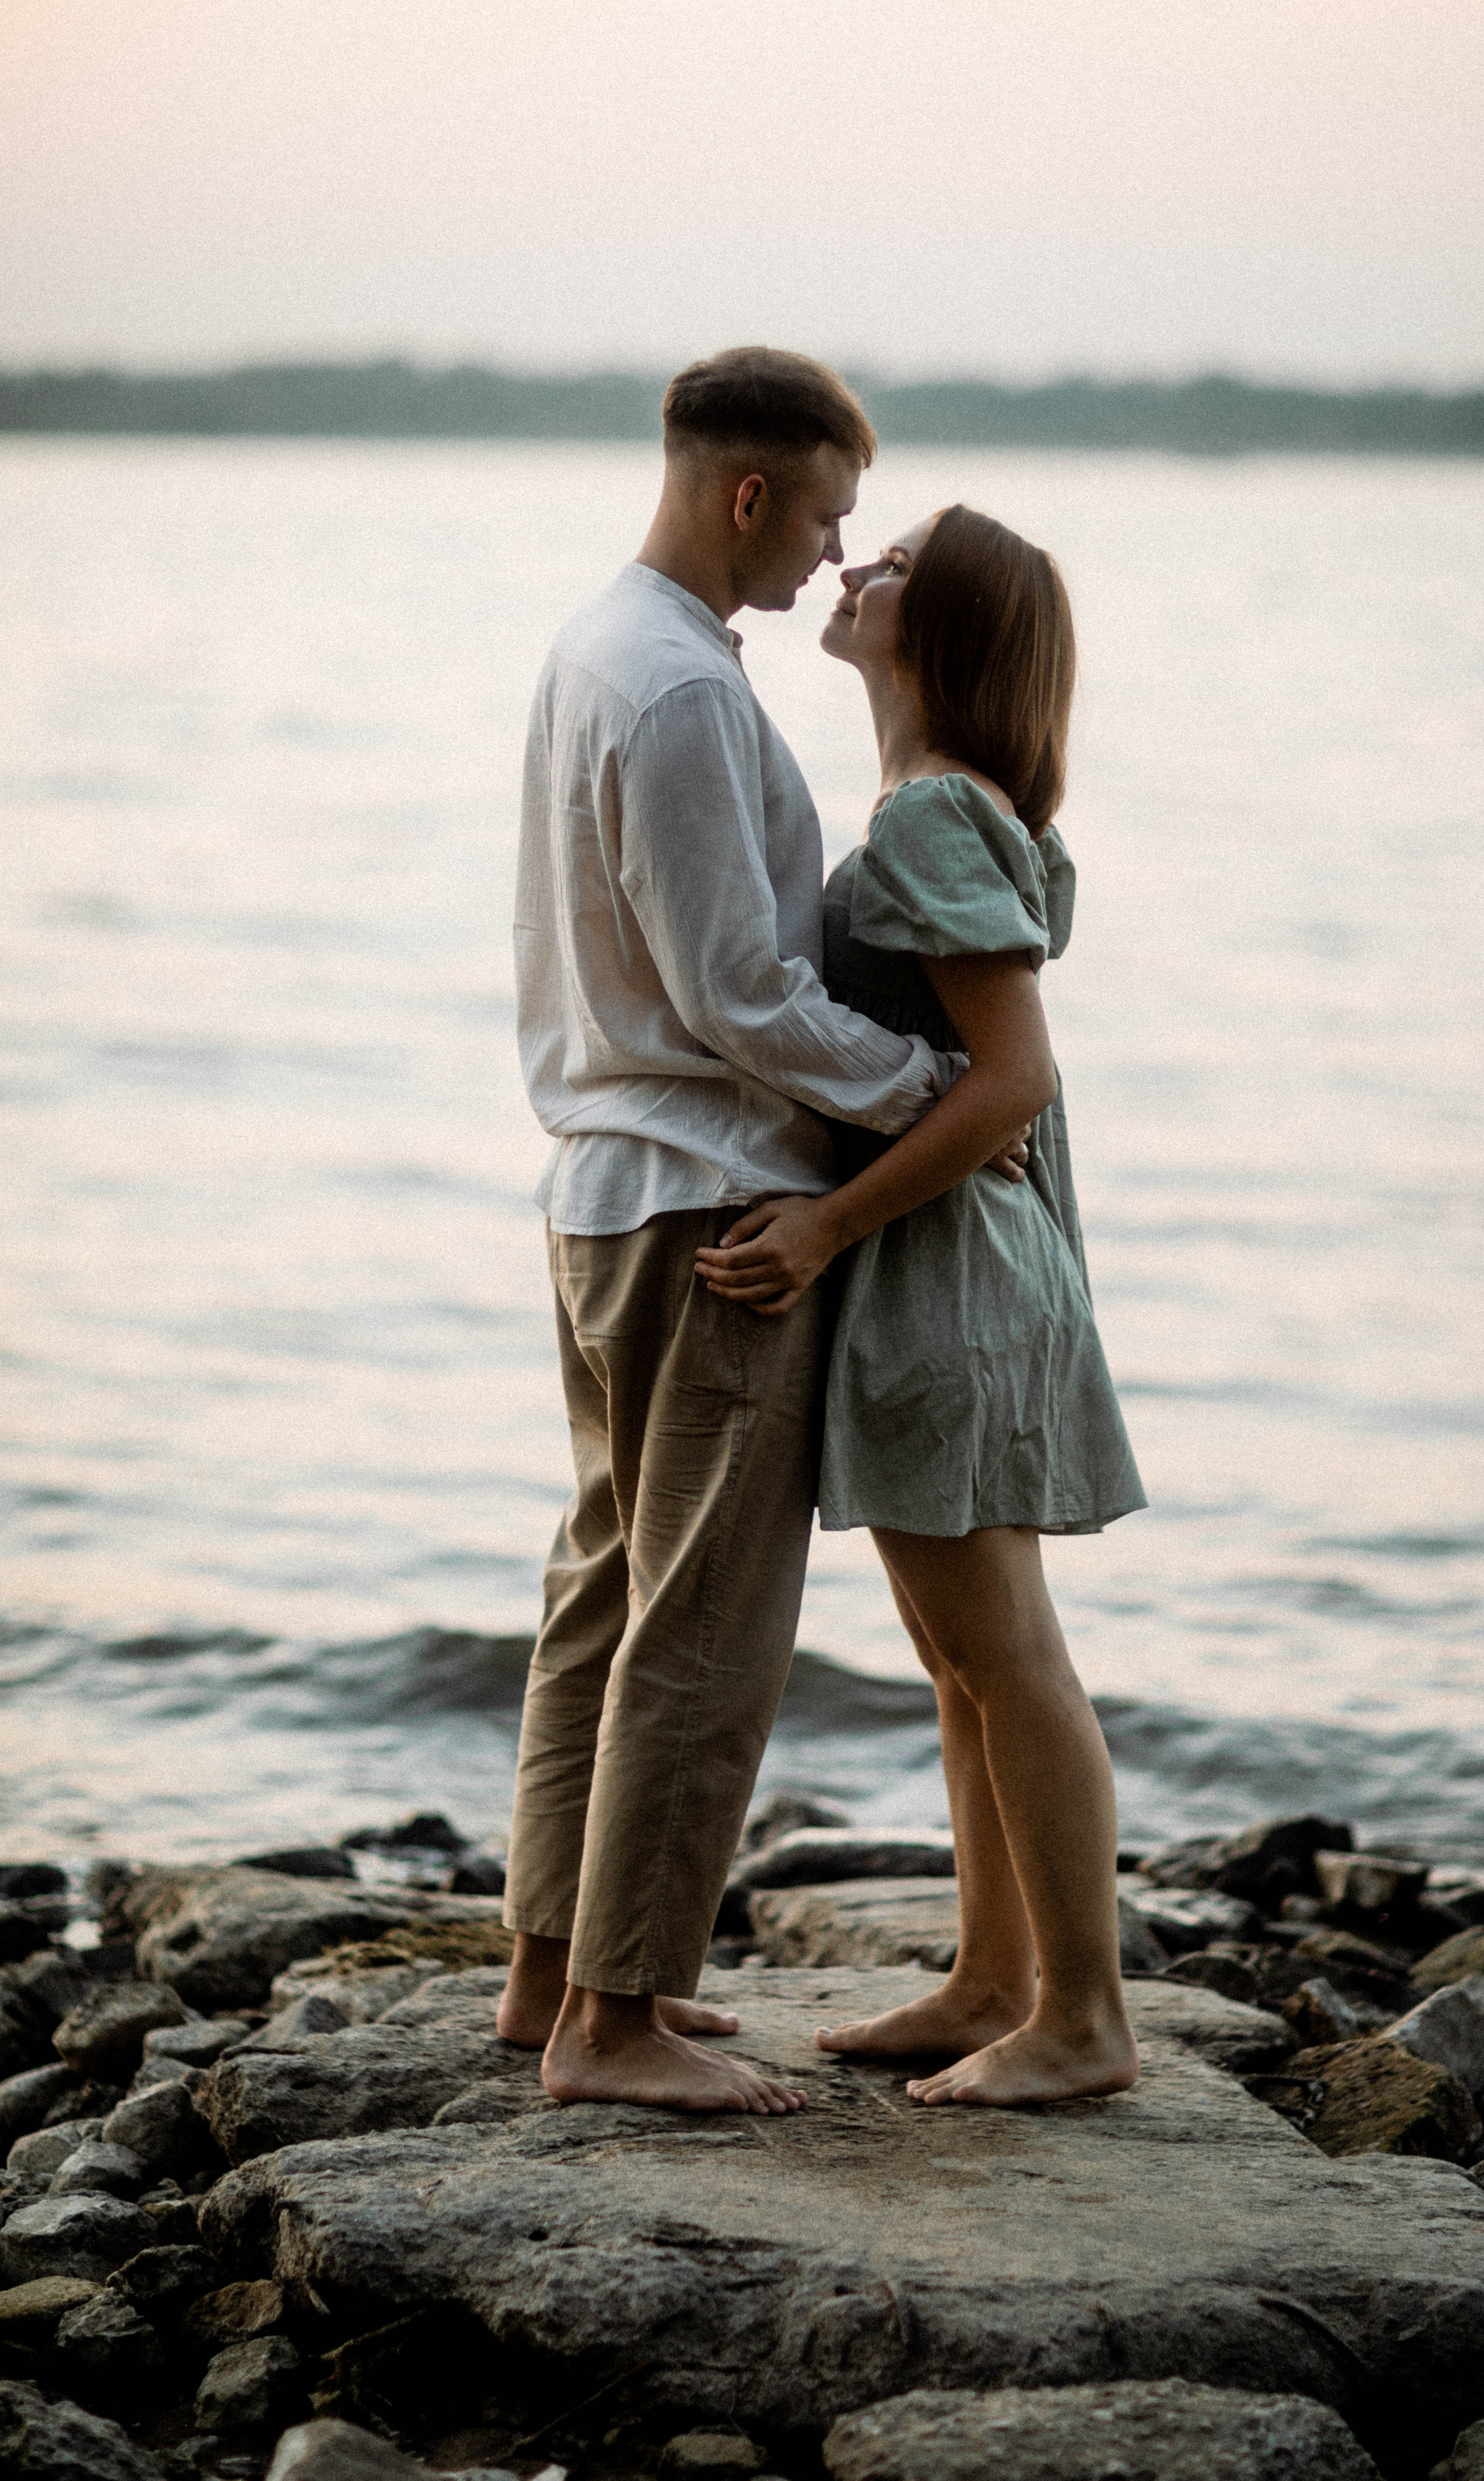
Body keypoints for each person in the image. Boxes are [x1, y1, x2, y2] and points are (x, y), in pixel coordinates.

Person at [499, 348, 996, 2115]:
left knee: (606, 1592)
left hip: (606, 1194)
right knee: (701, 1622)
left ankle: (550, 1976)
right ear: (745, 493)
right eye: (823, 515)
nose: (829, 552)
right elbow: (736, 993)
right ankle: (612, 2024)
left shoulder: (600, 647)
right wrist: (928, 1087)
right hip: (706, 1203)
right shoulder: (680, 692)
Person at [694, 504, 1146, 2105]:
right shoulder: (939, 803)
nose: (852, 569)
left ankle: (1083, 2020)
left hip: (946, 1266)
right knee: (961, 1656)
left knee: (1004, 1652)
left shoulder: (937, 812)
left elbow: (1013, 1080)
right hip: (952, 1261)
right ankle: (991, 1979)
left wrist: (823, 1226)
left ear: (944, 626)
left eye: (893, 565)